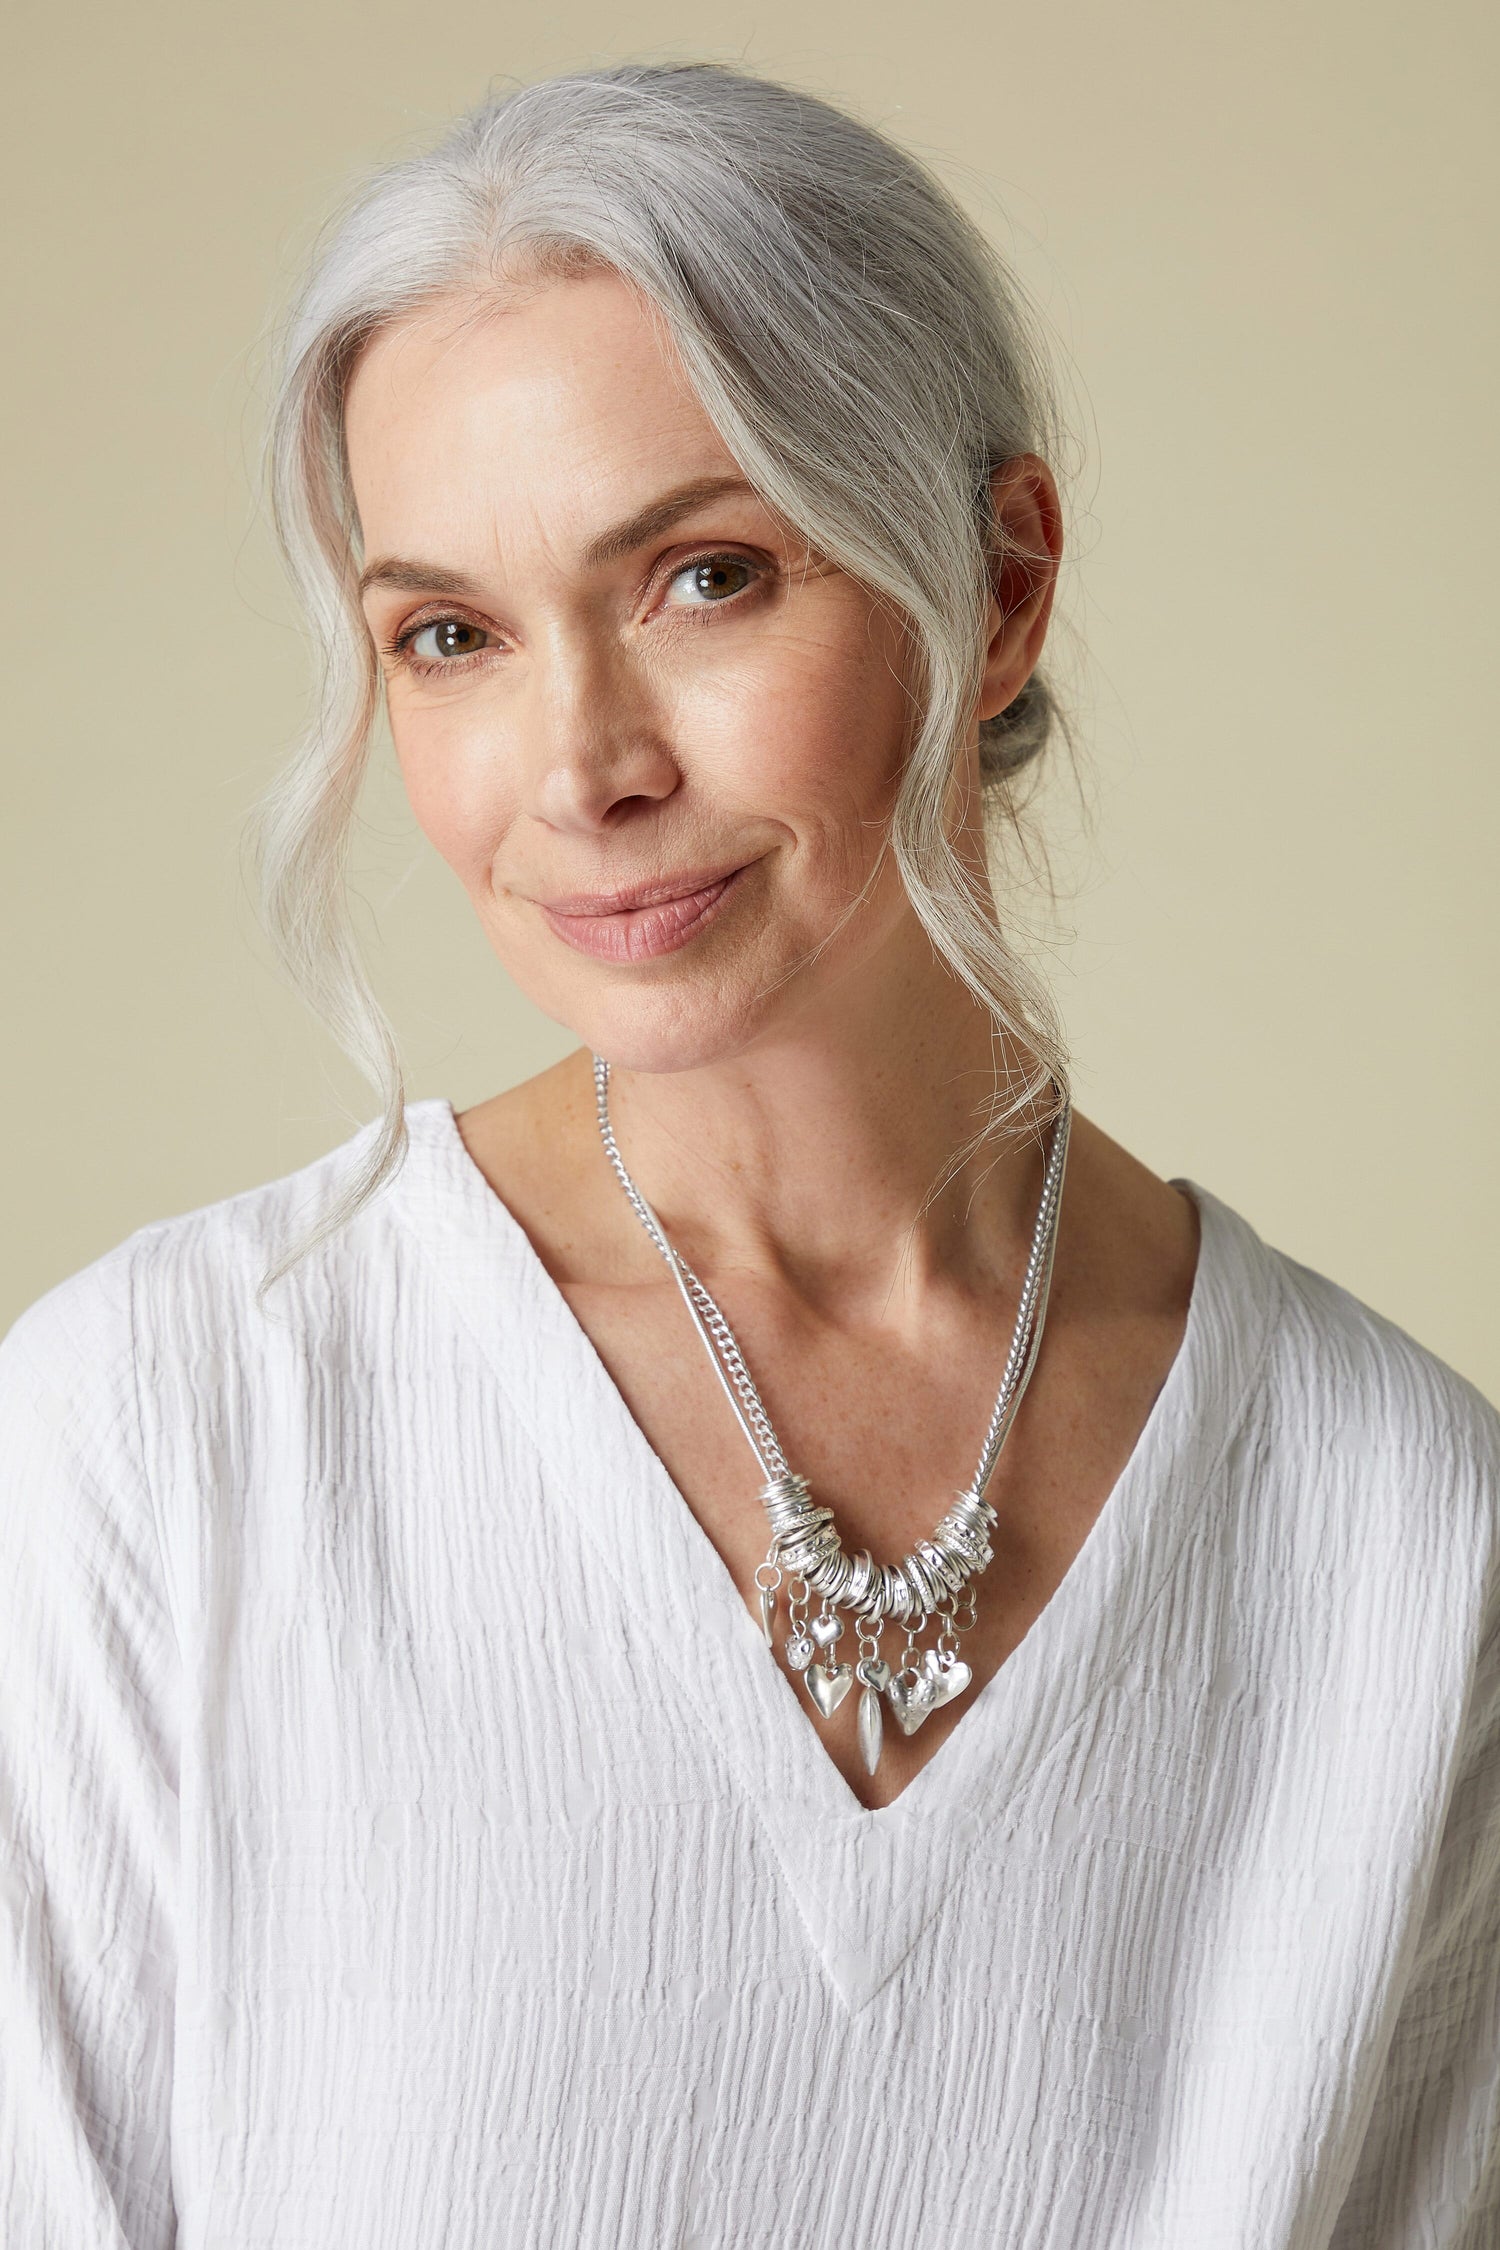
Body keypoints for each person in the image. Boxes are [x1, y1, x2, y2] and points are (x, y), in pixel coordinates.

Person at [2, 58, 1496, 2250]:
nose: (580, 764)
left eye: (704, 578)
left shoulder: (1410, 1547)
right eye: (450, 636)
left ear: (1000, 588)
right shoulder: (164, 1436)